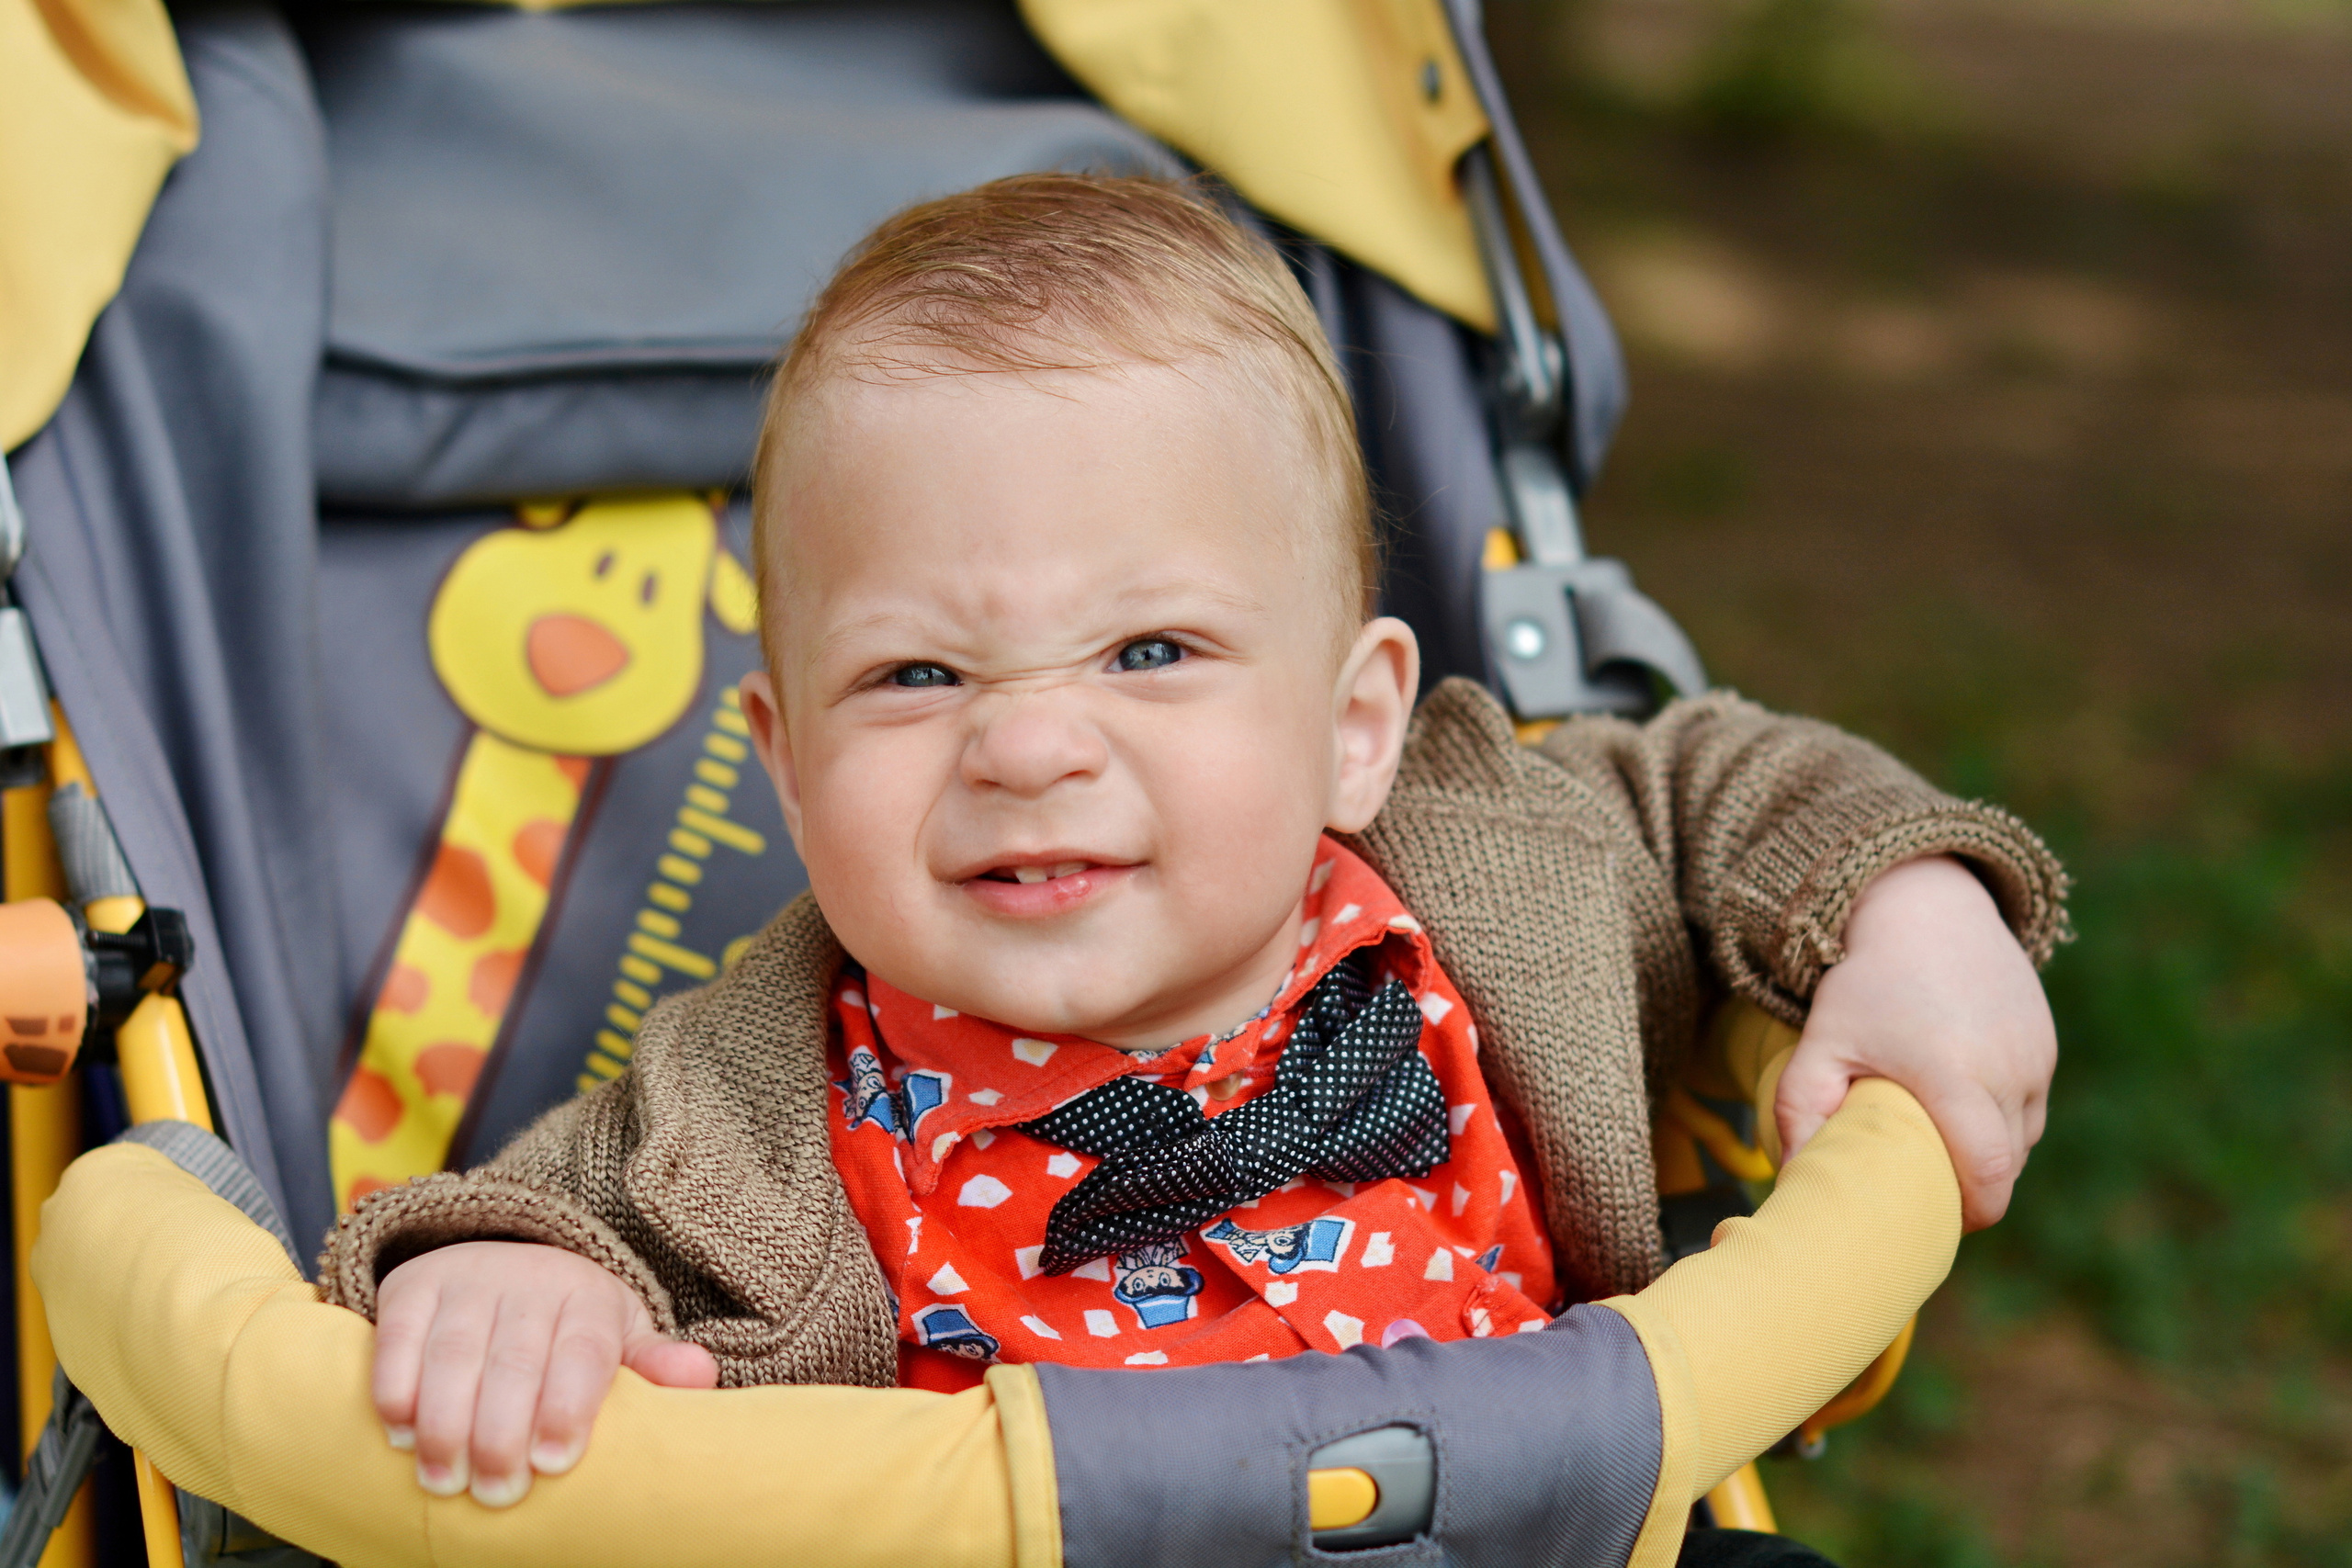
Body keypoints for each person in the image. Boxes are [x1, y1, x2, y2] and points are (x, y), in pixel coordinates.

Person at [316, 175, 2064, 1544]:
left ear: (1353, 723)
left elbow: (1729, 782)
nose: (1027, 747)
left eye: (1148, 652)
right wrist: (512, 1286)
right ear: (784, 761)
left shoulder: (1499, 862)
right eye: (915, 676)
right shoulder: (745, 1101)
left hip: (1546, 1532)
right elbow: (533, 1214)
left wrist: (1916, 914)